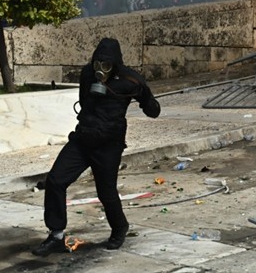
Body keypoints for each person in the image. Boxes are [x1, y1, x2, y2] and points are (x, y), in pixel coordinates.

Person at [32, 37, 161, 256]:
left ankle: (120, 228)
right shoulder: (87, 74)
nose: (101, 69)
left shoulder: (131, 80)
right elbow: (83, 102)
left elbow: (152, 108)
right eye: (97, 63)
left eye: (106, 65)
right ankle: (56, 236)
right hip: (83, 139)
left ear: (116, 64)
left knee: (106, 192)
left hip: (109, 146)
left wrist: (144, 102)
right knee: (55, 180)